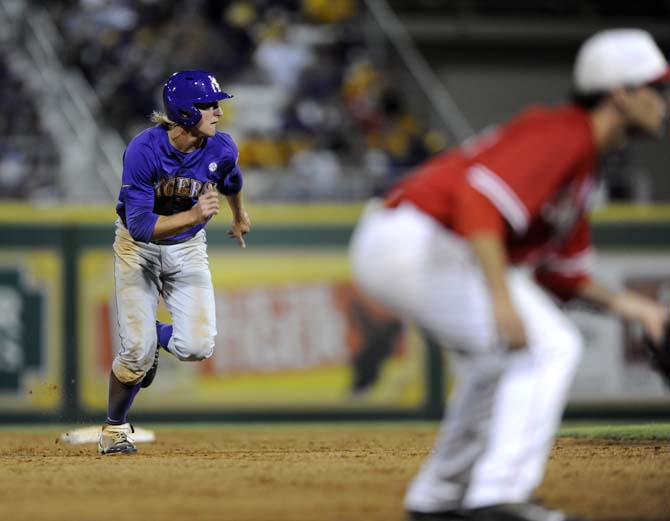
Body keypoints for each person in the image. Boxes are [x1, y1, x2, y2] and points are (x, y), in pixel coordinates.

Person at [349, 29, 670, 521]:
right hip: (418, 239)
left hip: (414, 241)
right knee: (548, 346)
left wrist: (638, 309)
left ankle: (439, 498)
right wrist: (501, 298)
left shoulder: (582, 165)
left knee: (496, 361)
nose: (663, 103)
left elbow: (564, 276)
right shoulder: (563, 134)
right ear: (621, 95)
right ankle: (499, 495)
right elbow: (477, 199)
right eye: (657, 90)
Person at [99, 70, 251, 455]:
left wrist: (238, 215)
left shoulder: (222, 148)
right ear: (184, 112)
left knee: (197, 346)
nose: (218, 111)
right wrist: (195, 216)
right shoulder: (144, 150)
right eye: (209, 105)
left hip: (186, 248)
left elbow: (231, 180)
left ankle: (152, 337)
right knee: (135, 354)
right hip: (138, 248)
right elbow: (140, 225)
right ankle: (114, 430)